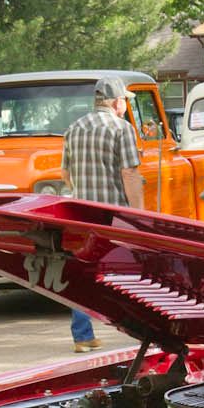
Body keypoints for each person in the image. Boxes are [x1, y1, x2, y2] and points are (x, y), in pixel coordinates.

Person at [60, 76, 143, 351]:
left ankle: (82, 337)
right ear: (117, 101)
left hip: (81, 213)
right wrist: (139, 214)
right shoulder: (122, 128)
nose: (124, 108)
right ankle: (143, 332)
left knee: (84, 272)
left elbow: (66, 175)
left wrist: (83, 190)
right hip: (112, 214)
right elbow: (130, 172)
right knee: (128, 270)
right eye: (124, 103)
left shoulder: (74, 128)